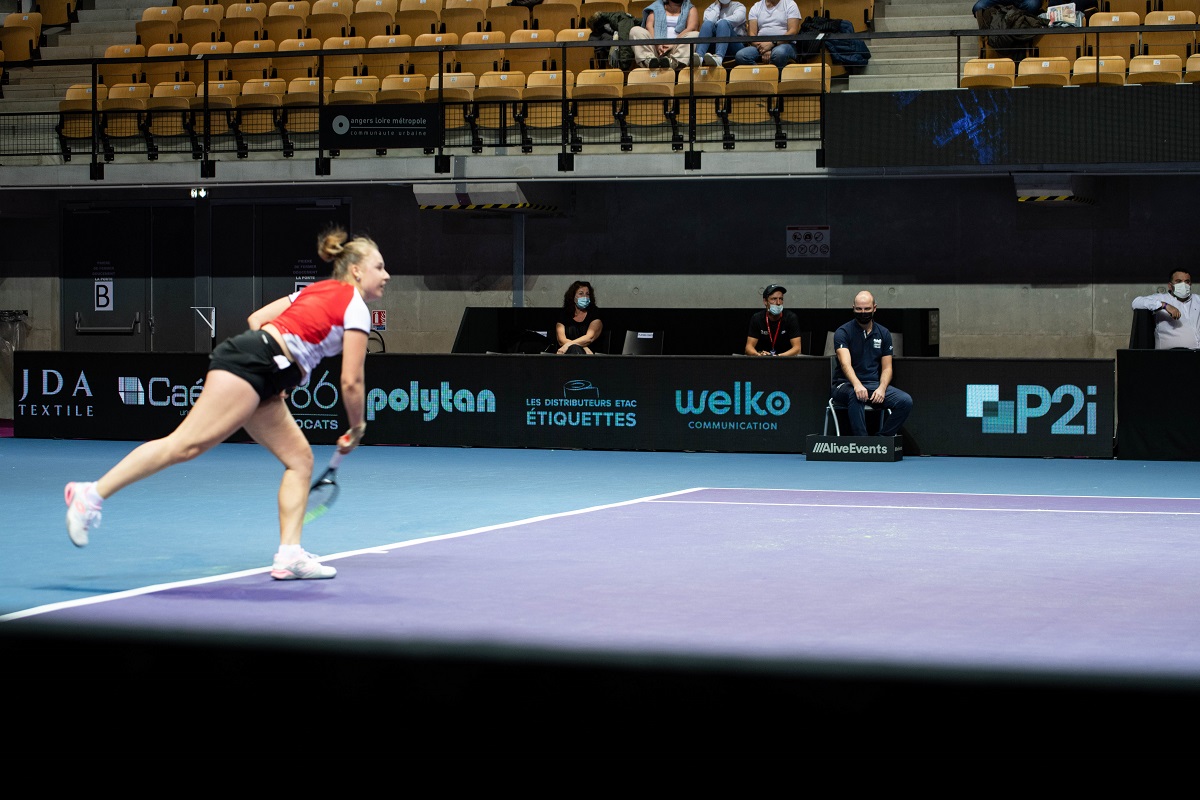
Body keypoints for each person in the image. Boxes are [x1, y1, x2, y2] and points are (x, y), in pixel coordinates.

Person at [63, 227, 389, 581]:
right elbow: (351, 381)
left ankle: (290, 554)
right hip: (252, 366)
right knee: (184, 446)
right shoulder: (355, 308)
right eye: (379, 267)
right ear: (356, 270)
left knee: (300, 460)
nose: (386, 275)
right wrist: (357, 427)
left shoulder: (315, 290)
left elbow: (257, 319)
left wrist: (279, 377)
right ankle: (90, 494)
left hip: (262, 368)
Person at [831, 290, 913, 437]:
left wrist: (882, 388)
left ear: (874, 308)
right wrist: (857, 385)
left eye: (867, 309)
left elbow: (887, 368)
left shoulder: (883, 333)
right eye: (859, 309)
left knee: (905, 401)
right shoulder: (843, 332)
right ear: (853, 308)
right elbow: (845, 364)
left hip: (873, 385)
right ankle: (863, 443)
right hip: (845, 385)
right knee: (856, 394)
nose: (863, 312)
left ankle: (881, 440)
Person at [1131, 270, 1200, 349]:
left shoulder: (1197, 299)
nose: (1183, 285)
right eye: (1179, 281)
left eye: (1187, 281)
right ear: (1170, 286)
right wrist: (1164, 305)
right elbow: (1136, 302)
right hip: (1170, 354)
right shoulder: (1161, 298)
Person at [630, 0, 700, 69]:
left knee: (694, 34)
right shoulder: (656, 6)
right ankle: (650, 61)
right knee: (635, 30)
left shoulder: (690, 8)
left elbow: (692, 28)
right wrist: (657, 43)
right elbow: (649, 26)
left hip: (676, 48)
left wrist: (673, 43)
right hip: (656, 48)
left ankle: (673, 63)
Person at [734, 0, 801, 72]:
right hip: (760, 45)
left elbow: (793, 31)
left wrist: (772, 43)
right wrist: (763, 49)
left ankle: (773, 76)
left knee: (779, 53)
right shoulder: (756, 7)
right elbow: (751, 34)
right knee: (741, 56)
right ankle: (762, 75)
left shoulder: (790, 4)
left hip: (785, 44)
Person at [745, 283, 802, 356]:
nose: (778, 303)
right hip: (763, 360)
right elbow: (748, 348)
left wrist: (778, 357)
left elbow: (797, 349)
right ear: (765, 301)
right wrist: (759, 355)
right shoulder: (757, 318)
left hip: (785, 359)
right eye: (774, 299)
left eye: (780, 299)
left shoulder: (791, 318)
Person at [693, 0, 748, 67]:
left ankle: (719, 58)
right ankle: (700, 57)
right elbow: (707, 20)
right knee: (707, 24)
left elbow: (737, 18)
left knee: (723, 23)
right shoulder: (711, 8)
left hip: (734, 45)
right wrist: (717, 7)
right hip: (715, 45)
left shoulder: (739, 6)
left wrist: (719, 23)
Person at [555, 280, 603, 354]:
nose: (585, 297)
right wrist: (583, 347)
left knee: (575, 349)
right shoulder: (564, 314)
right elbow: (561, 340)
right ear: (573, 296)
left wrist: (568, 345)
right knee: (574, 349)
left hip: (589, 357)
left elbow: (589, 338)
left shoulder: (595, 313)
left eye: (587, 294)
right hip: (567, 355)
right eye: (581, 293)